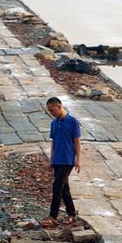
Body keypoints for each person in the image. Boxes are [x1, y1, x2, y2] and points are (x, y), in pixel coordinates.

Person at [42, 96, 80, 228]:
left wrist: (78, 160)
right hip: (57, 159)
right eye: (49, 111)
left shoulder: (72, 122)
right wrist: (51, 159)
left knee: (57, 186)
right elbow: (54, 142)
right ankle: (72, 214)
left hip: (68, 160)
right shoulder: (54, 123)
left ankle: (53, 216)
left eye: (52, 110)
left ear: (59, 107)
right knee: (64, 188)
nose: (51, 113)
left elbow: (77, 142)